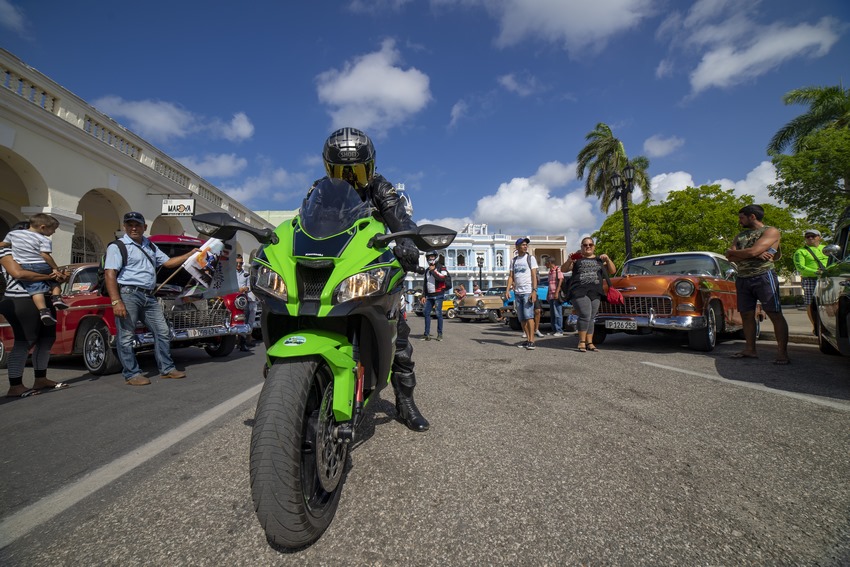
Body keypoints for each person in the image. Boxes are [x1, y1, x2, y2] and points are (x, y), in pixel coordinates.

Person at [320, 127, 429, 431]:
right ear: (330, 170)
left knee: (399, 334)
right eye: (342, 171)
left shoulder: (381, 188)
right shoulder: (320, 190)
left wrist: (407, 244)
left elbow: (399, 217)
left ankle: (405, 402)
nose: (350, 177)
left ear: (369, 167)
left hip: (372, 266)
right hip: (333, 268)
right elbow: (304, 221)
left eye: (355, 169)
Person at [104, 211, 199, 386]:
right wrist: (116, 301)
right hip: (128, 293)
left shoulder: (150, 245)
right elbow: (110, 273)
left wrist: (189, 255)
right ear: (124, 226)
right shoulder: (117, 246)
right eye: (130, 224)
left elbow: (168, 263)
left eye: (137, 225)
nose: (134, 228)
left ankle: (167, 369)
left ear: (144, 227)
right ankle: (132, 374)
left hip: (149, 296)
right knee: (125, 336)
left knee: (163, 331)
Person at [0, 222, 70, 398]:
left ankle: (41, 378)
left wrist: (60, 276)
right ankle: (15, 385)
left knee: (47, 339)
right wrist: (49, 275)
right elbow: (18, 274)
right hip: (20, 299)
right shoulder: (6, 252)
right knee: (25, 340)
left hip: (44, 299)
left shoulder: (36, 253)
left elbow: (49, 275)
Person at [725, 204, 790, 364]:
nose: (739, 222)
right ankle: (750, 349)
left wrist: (741, 252)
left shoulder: (770, 231)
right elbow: (729, 257)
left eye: (742, 218)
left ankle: (782, 353)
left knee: (774, 313)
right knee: (746, 315)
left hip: (764, 276)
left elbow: (749, 252)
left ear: (752, 216)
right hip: (742, 278)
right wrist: (751, 253)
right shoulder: (739, 236)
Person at [1, 213, 68, 325]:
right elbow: (45, 255)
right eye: (53, 230)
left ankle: (43, 311)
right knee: (55, 281)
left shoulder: (13, 234)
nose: (54, 232)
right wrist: (55, 269)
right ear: (42, 227)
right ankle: (57, 298)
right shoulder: (44, 240)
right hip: (40, 265)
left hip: (25, 265)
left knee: (36, 290)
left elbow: (3, 243)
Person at [560, 237, 615, 352]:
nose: (588, 247)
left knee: (591, 317)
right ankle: (581, 341)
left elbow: (612, 271)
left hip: (596, 291)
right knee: (585, 315)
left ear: (594, 247)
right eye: (585, 245)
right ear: (581, 247)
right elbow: (563, 269)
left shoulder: (599, 260)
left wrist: (608, 260)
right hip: (579, 291)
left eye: (590, 244)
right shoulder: (577, 260)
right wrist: (570, 260)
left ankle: (590, 342)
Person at [505, 237, 539, 350]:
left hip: (527, 291)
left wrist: (534, 291)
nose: (525, 246)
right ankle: (528, 339)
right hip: (517, 292)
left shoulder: (530, 258)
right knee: (522, 318)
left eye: (526, 245)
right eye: (523, 245)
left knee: (529, 316)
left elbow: (534, 275)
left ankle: (532, 341)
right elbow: (511, 276)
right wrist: (507, 290)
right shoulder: (513, 261)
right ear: (517, 247)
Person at [792, 229, 828, 334]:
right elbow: (800, 267)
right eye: (807, 236)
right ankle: (815, 326)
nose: (810, 238)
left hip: (827, 277)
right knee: (810, 303)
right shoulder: (801, 251)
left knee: (830, 302)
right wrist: (816, 272)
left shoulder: (826, 249)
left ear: (819, 237)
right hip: (810, 279)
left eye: (813, 236)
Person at [421, 250, 448, 341]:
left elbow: (442, 278)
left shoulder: (442, 267)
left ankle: (439, 334)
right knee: (426, 313)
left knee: (438, 313)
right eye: (429, 257)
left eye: (432, 256)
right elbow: (425, 283)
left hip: (438, 295)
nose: (430, 258)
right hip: (429, 296)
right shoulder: (427, 271)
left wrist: (433, 271)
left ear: (436, 257)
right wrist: (423, 295)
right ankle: (426, 334)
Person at [235, 254, 257, 352]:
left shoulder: (246, 274)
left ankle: (242, 342)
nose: (239, 265)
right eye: (237, 263)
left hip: (243, 299)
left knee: (244, 320)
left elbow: (248, 286)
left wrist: (244, 289)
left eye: (241, 263)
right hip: (232, 299)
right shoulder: (230, 273)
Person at [545, 257, 565, 337]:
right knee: (553, 314)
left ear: (550, 262)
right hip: (551, 295)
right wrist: (547, 295)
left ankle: (559, 330)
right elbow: (549, 284)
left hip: (556, 295)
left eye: (546, 263)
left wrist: (557, 292)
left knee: (557, 313)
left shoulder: (558, 270)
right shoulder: (550, 272)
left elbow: (560, 281)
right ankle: (554, 329)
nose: (545, 264)